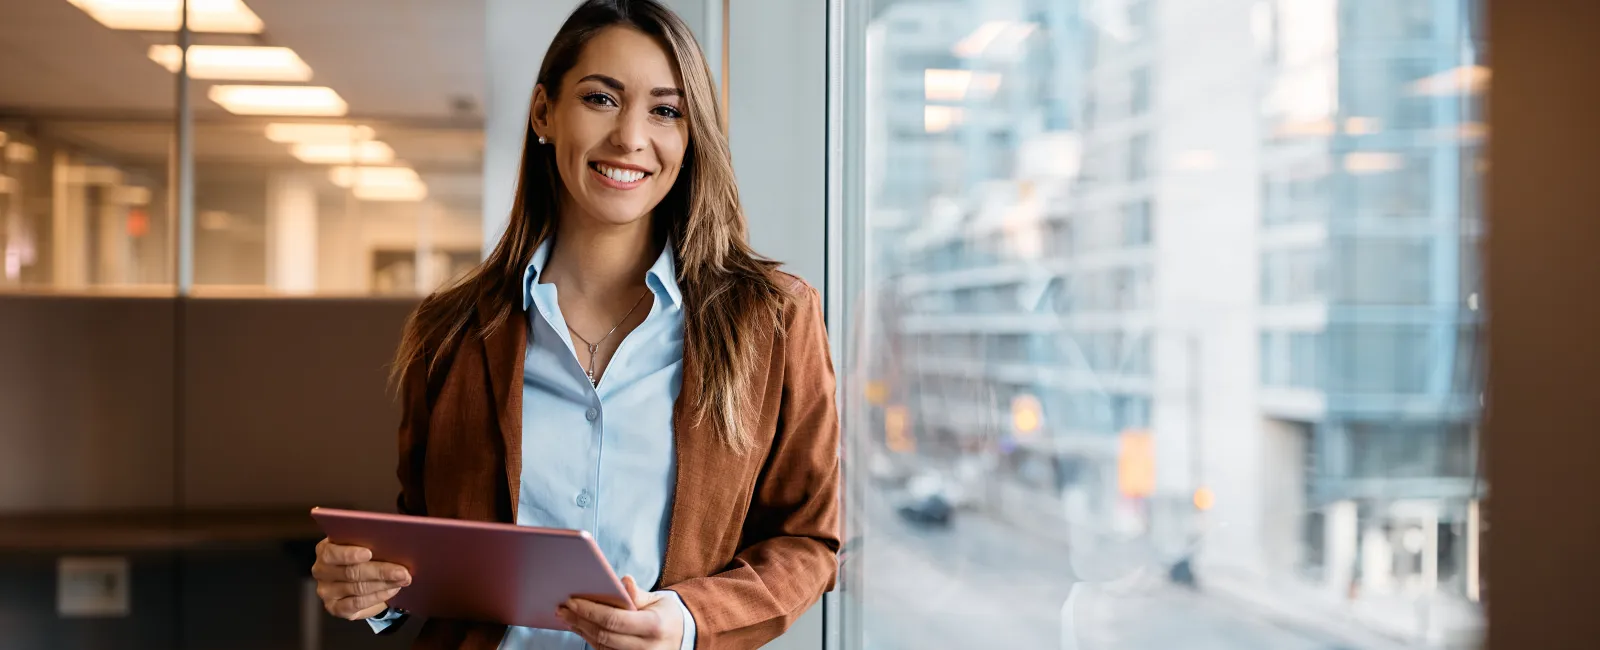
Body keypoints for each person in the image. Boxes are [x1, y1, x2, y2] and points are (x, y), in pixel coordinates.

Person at [308, 1, 841, 648]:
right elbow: (426, 533)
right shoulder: (450, 330)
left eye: (666, 110)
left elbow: (809, 540)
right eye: (601, 99)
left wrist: (686, 620)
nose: (630, 137)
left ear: (690, 136)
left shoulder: (774, 319)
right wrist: (367, 589)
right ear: (543, 114)